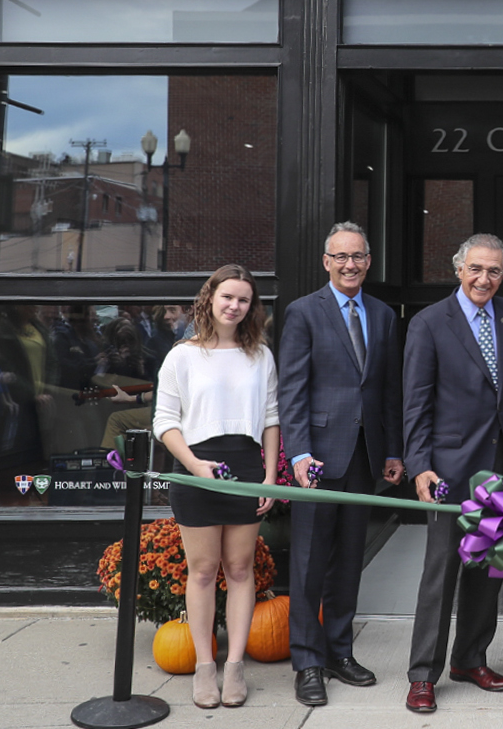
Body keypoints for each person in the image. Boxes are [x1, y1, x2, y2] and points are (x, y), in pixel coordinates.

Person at [278, 222, 404, 707]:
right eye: (341, 257)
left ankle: (339, 652)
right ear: (326, 262)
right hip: (317, 458)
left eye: (358, 256)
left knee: (351, 560)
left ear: (368, 262)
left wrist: (393, 450)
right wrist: (300, 453)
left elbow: (387, 389)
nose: (350, 264)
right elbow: (292, 389)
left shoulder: (383, 315)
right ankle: (308, 662)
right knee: (309, 564)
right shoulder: (304, 312)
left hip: (364, 455)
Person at [402, 234, 503, 714]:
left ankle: (471, 658)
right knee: (441, 572)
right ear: (459, 269)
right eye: (476, 269)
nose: (484, 279)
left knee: (490, 571)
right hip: (449, 472)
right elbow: (415, 402)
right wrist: (421, 466)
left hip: (502, 467)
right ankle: (422, 674)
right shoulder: (429, 323)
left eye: (494, 271)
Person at [152, 264, 280, 709]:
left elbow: (270, 418)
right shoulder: (182, 355)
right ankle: (205, 665)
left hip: (245, 466)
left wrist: (268, 476)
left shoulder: (260, 355)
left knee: (241, 569)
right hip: (196, 467)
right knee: (204, 571)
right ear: (209, 298)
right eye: (227, 297)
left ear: (251, 307)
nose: (235, 306)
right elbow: (164, 422)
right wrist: (193, 466)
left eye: (244, 300)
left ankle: (235, 665)